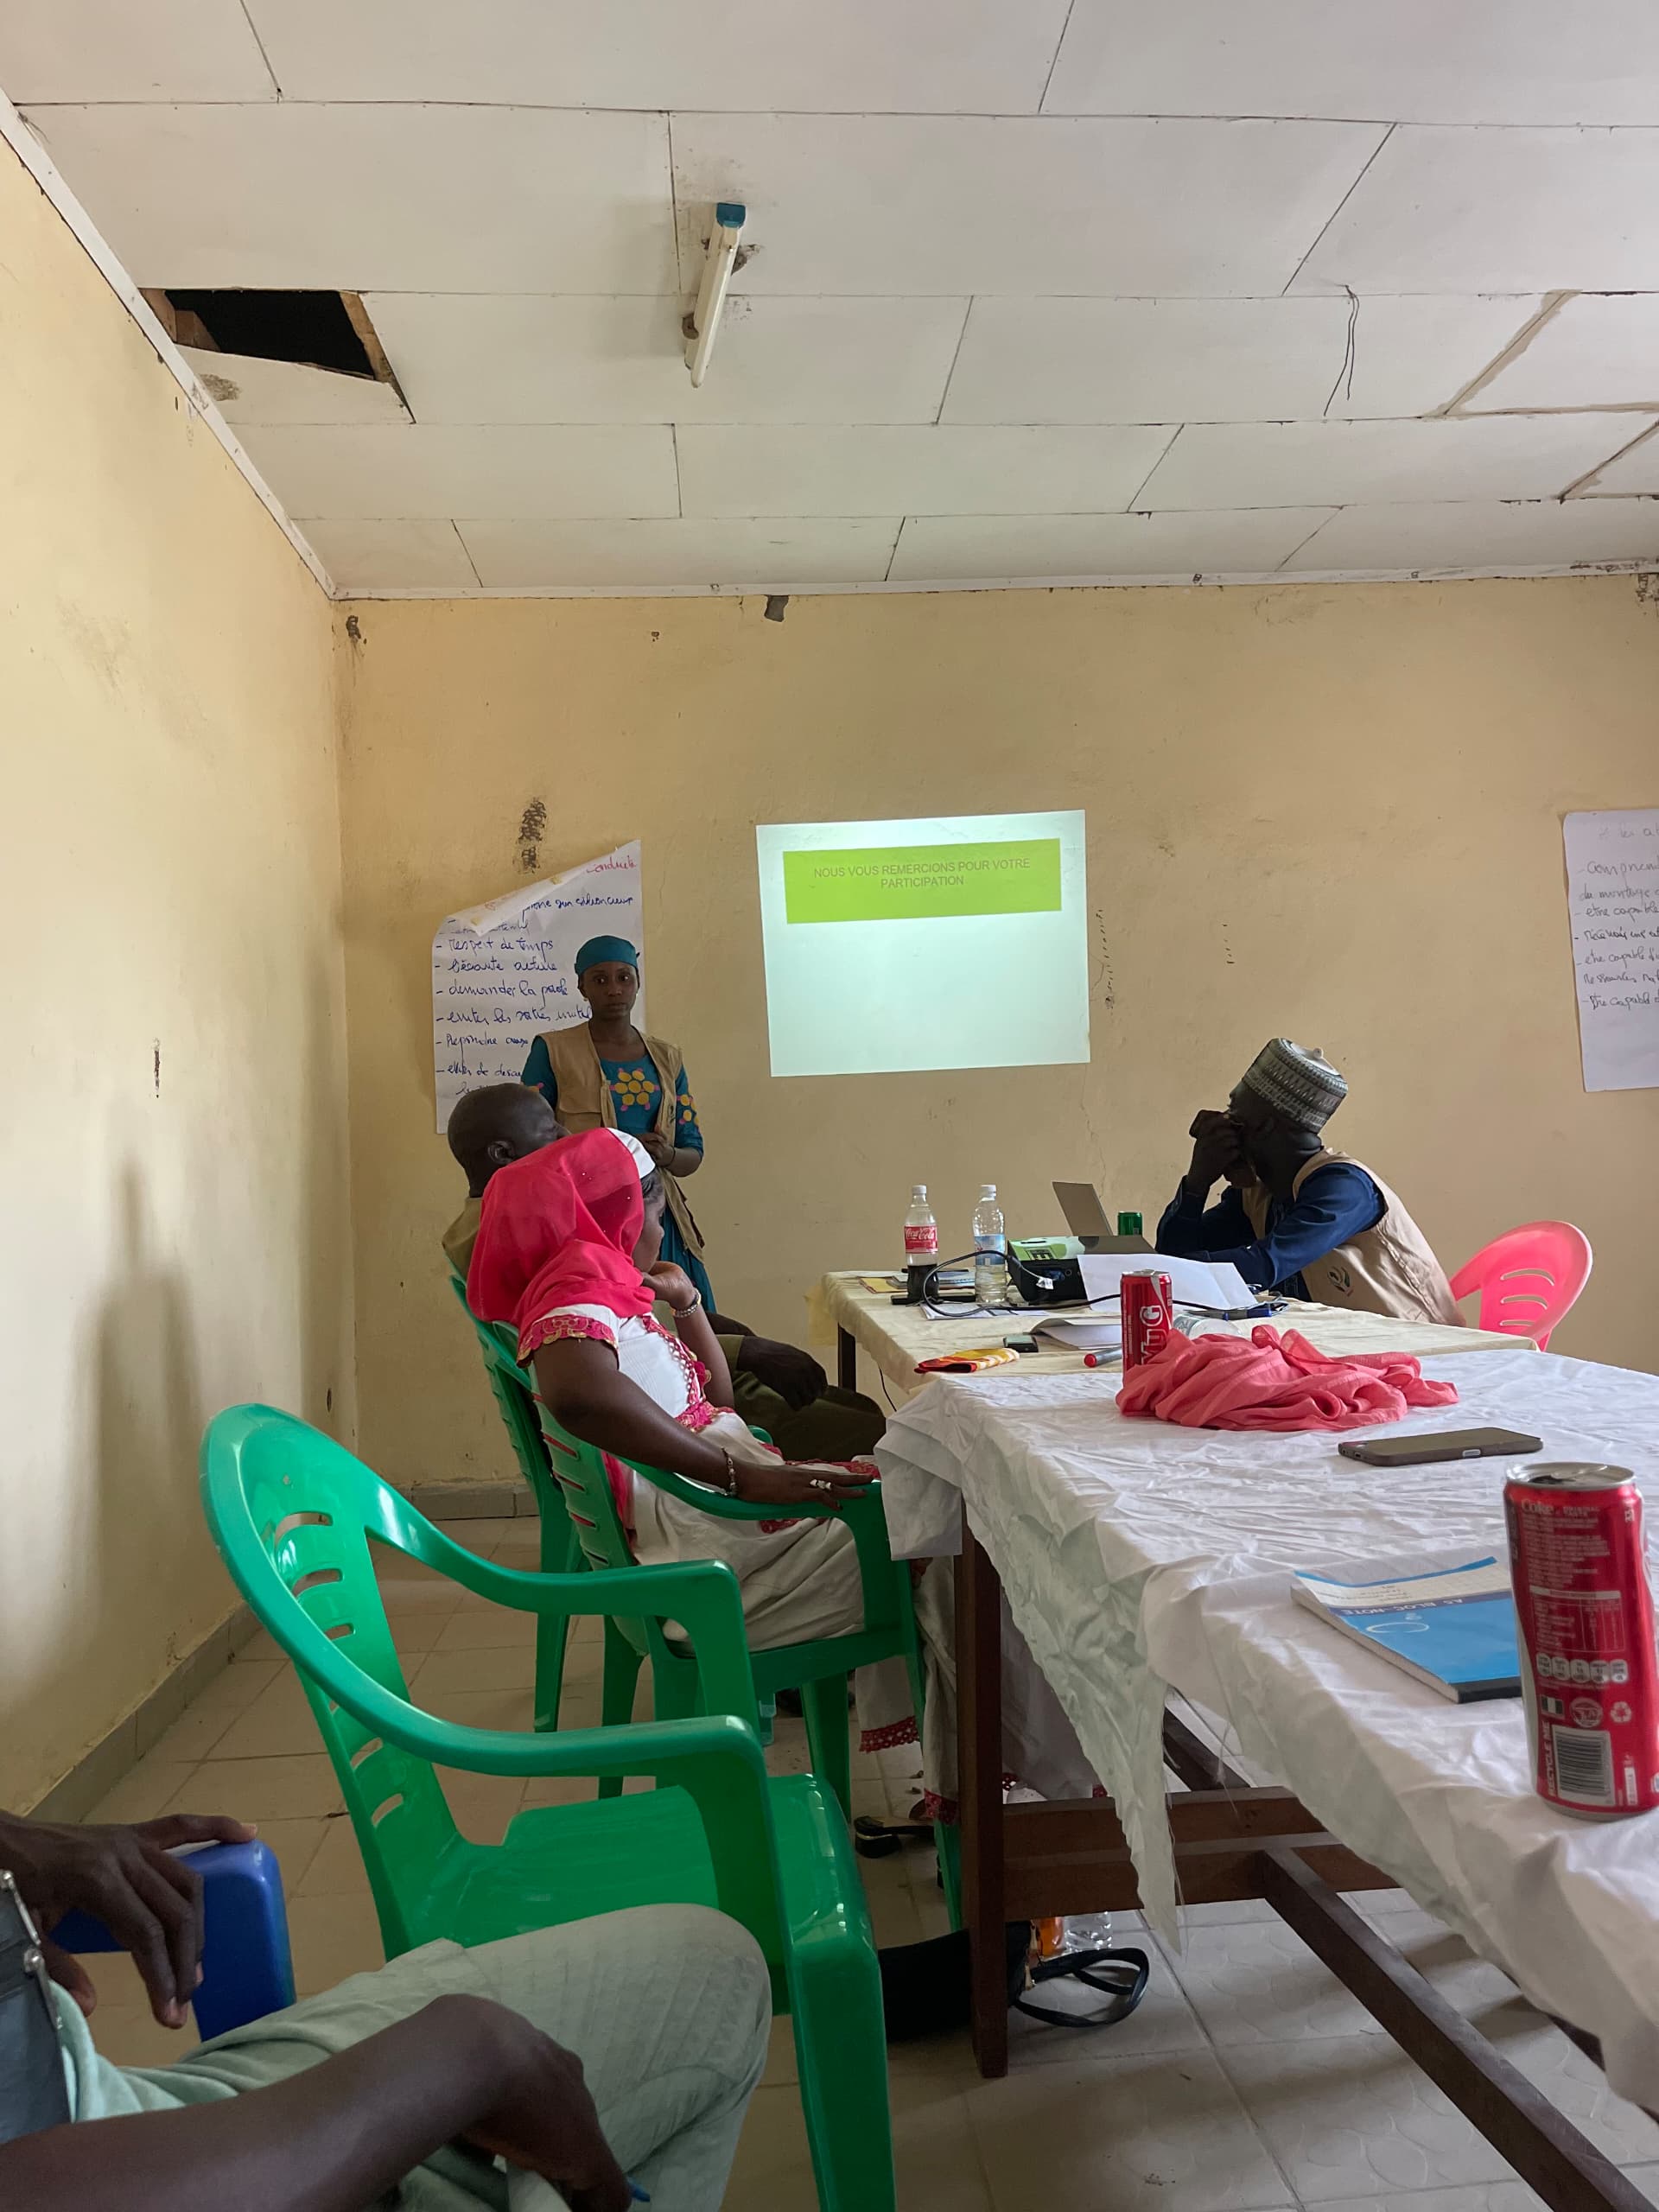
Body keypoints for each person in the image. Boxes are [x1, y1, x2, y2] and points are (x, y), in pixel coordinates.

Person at [466, 1125, 1096, 1821]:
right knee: (964, 1531)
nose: (662, 1228)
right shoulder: (575, 1293)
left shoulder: (599, 1284)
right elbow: (577, 1396)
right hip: (719, 1551)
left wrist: (688, 1304)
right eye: (655, 1210)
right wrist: (742, 1477)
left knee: (942, 1496)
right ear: (616, 1214)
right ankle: (1011, 1785)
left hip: (711, 1525)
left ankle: (979, 1776)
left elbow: (718, 1400)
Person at [0, 1801, 770, 2212]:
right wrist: (464, 2058)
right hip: (114, 2177)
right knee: (712, 1988)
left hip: (102, 2105)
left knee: (711, 1970)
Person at [445, 1081, 883, 1464]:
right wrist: (745, 1353)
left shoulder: (507, 1220)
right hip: (656, 1403)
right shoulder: (515, 1231)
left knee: (852, 1408)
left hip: (661, 1378)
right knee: (866, 1427)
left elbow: (631, 1296)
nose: (566, 1137)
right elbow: (606, 1340)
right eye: (550, 1131)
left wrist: (699, 1312)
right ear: (503, 1154)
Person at [1158, 1038, 1461, 1325]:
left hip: (1427, 1349)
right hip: (1346, 1347)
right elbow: (1176, 1254)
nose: (1223, 1118)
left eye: (1233, 1108)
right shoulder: (1258, 1194)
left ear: (1263, 1125)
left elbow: (1262, 1266)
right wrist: (1197, 1183)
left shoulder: (1343, 1188)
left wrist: (1155, 1276)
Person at [521, 939, 714, 1310]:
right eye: (600, 979)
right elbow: (529, 1144)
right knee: (606, 1320)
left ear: (637, 983)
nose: (614, 989)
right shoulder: (552, 1051)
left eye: (624, 978)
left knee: (682, 1322)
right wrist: (609, 1152)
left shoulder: (667, 1058)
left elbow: (692, 1153)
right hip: (586, 1220)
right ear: (582, 987)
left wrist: (666, 1154)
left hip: (659, 1221)